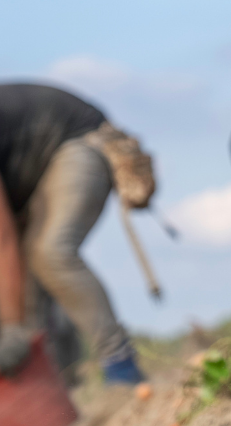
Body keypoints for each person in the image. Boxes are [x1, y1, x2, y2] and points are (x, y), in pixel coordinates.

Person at [0, 83, 155, 382]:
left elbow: (4, 241)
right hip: (34, 173)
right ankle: (56, 390)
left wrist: (10, 328)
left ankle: (121, 366)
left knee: (50, 252)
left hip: (77, 140)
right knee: (28, 293)